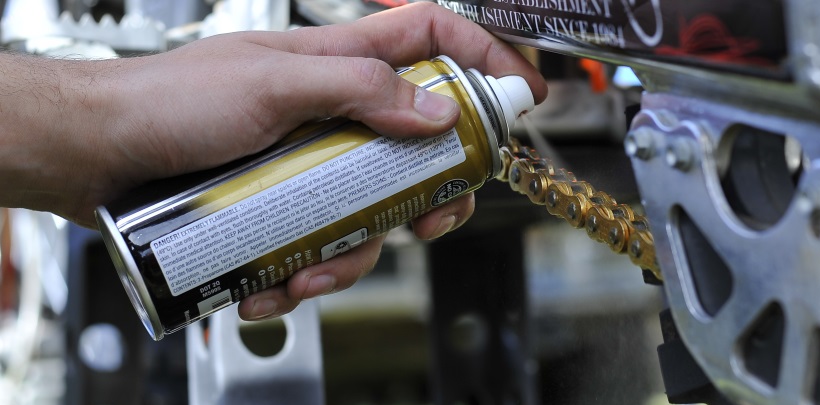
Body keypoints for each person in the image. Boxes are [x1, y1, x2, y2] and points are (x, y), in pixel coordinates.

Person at [0, 3, 547, 321]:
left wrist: (95, 128)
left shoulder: (470, 150)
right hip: (153, 242)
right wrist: (102, 122)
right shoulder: (458, 133)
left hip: (155, 242)